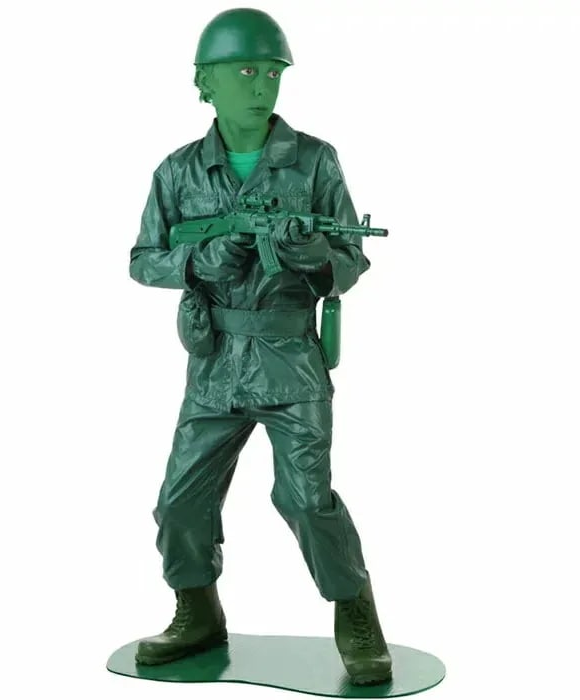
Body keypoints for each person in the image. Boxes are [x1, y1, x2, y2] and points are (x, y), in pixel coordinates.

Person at [128, 8, 392, 686]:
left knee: (306, 499)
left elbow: (352, 257)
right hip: (214, 363)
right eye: (245, 70)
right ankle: (197, 612)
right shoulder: (179, 172)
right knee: (180, 501)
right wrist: (202, 260)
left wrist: (312, 255)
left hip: (289, 359)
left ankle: (355, 609)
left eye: (272, 72)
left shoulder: (314, 160)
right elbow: (143, 259)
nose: (260, 84)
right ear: (205, 82)